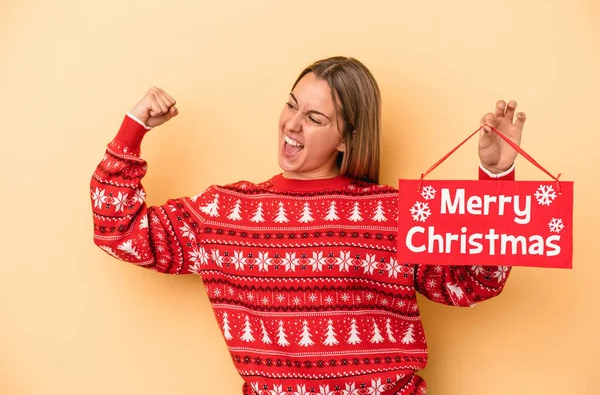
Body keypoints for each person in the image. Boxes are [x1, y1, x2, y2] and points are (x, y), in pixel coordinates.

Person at [90, 56, 526, 394]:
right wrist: (134, 128)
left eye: (316, 118)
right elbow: (118, 230)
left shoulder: (393, 213)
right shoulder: (225, 213)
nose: (292, 125)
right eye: (292, 105)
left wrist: (497, 178)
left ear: (348, 139)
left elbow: (474, 281)